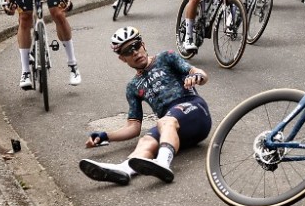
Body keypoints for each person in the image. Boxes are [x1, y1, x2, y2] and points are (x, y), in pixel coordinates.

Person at [79, 27, 211, 185]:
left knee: (165, 121)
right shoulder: (133, 87)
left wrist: (197, 77)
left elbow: (198, 73)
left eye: (136, 45)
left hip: (194, 110)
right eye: (128, 51)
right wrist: (106, 136)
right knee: (146, 141)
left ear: (144, 45)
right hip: (172, 129)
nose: (134, 52)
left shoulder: (166, 57)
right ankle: (123, 170)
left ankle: (163, 163)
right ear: (122, 58)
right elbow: (133, 128)